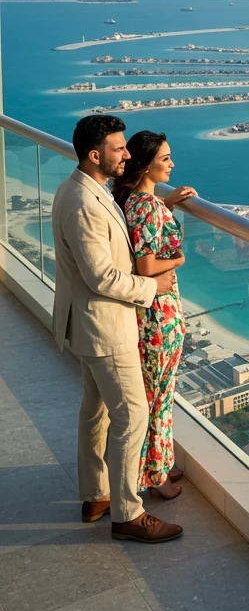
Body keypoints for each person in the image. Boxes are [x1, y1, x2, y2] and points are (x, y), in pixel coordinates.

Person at [51, 115, 183, 543]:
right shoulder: (85, 204)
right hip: (105, 326)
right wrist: (152, 286)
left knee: (96, 411)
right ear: (95, 155)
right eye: (118, 148)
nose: (127, 154)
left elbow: (126, 231)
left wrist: (167, 206)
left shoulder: (84, 189)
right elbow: (102, 277)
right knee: (133, 414)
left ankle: (96, 495)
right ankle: (129, 514)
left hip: (87, 324)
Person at [112, 131, 197, 500]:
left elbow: (145, 235)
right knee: (158, 397)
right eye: (165, 159)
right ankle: (156, 477)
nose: (172, 164)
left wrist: (169, 204)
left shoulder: (137, 200)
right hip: (158, 316)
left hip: (153, 314)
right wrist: (180, 259)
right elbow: (147, 264)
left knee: (156, 395)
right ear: (146, 165)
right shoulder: (144, 205)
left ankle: (158, 463)